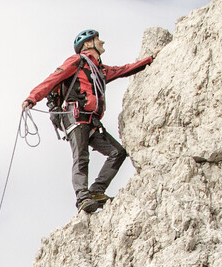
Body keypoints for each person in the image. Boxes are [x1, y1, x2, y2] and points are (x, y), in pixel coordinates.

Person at [22, 29, 154, 213]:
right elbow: (53, 79)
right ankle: (82, 198)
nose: (102, 42)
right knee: (81, 157)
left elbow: (123, 70)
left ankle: (97, 191)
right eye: (97, 39)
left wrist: (150, 60)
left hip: (91, 121)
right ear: (87, 44)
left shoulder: (99, 70)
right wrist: (32, 97)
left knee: (118, 152)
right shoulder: (76, 62)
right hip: (75, 117)